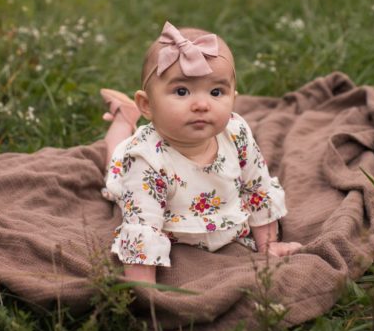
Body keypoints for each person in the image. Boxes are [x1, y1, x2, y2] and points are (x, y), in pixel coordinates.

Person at [99, 22, 301, 284]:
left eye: (216, 92)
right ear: (147, 104)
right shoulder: (145, 161)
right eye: (182, 91)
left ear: (233, 99)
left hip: (215, 214)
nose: (202, 105)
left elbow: (257, 188)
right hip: (138, 183)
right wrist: (145, 289)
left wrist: (268, 246)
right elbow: (142, 227)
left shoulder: (236, 133)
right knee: (115, 159)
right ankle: (123, 119)